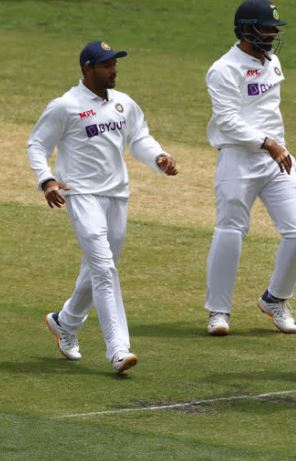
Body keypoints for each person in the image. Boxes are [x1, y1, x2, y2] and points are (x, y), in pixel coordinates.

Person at [28, 40, 178, 374]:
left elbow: (139, 138)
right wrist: (47, 180)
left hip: (117, 196)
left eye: (115, 64)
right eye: (107, 65)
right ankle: (118, 349)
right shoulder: (65, 106)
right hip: (81, 196)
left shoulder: (124, 104)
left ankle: (65, 322)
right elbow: (37, 144)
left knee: (98, 267)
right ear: (88, 68)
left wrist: (158, 157)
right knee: (105, 268)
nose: (114, 70)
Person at [204, 0, 296, 335]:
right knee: (230, 231)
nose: (272, 34)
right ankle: (218, 312)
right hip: (239, 157)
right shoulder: (223, 69)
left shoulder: (273, 61)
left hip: (276, 159)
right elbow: (227, 121)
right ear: (245, 30)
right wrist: (268, 142)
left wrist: (275, 146)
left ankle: (275, 299)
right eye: (266, 28)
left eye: (274, 29)